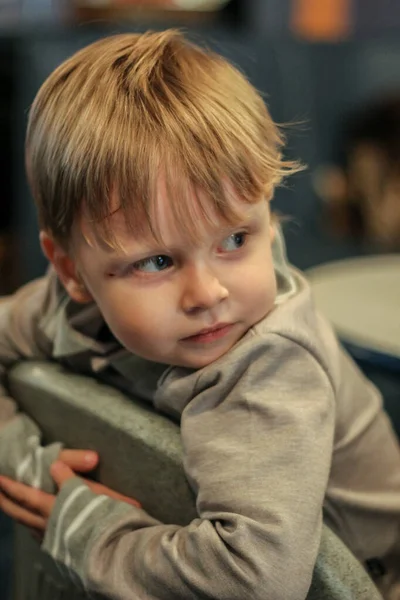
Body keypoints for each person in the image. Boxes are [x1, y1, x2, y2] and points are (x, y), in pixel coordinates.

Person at [0, 29, 399, 600]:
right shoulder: (65, 308)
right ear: (69, 270)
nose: (207, 292)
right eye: (157, 261)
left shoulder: (269, 367)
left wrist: (92, 536)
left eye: (236, 238)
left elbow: (255, 580)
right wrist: (27, 459)